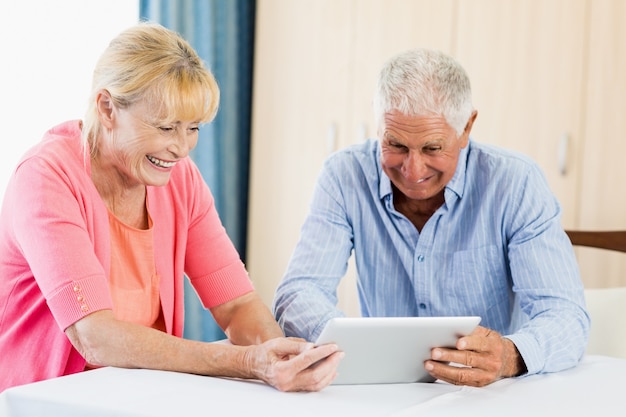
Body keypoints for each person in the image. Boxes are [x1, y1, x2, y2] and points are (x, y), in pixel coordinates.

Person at [0, 22, 343, 393]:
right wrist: (245, 363)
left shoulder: (180, 181)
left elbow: (237, 304)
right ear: (107, 108)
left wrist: (282, 357)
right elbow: (94, 335)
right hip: (42, 399)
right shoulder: (46, 177)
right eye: (166, 128)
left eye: (192, 128)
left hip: (137, 396)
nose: (182, 148)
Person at [272, 48, 590, 387]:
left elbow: (565, 317)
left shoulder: (516, 183)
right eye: (395, 144)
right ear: (378, 124)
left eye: (432, 148)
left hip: (487, 396)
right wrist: (349, 347)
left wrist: (510, 355)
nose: (412, 170)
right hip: (385, 391)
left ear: (466, 127)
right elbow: (299, 292)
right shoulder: (343, 175)